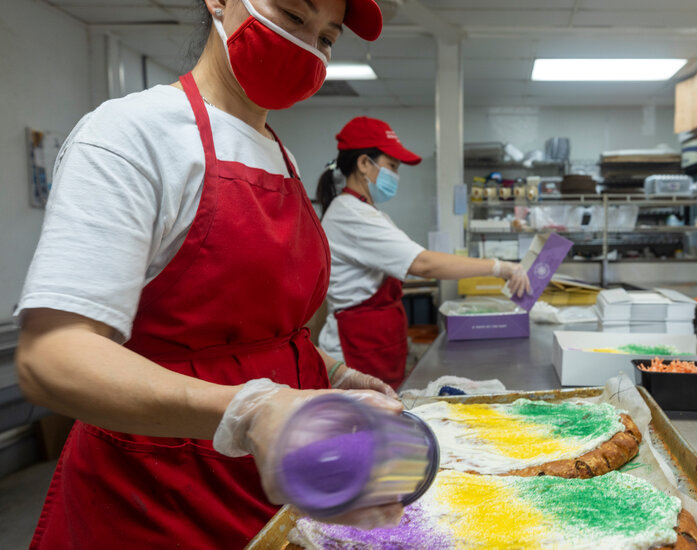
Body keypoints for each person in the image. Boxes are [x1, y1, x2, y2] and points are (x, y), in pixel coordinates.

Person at [14, 0, 406, 548]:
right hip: (156, 491)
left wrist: (328, 370)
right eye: (294, 16)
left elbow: (256, 329)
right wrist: (250, 410)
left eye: (326, 38)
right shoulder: (132, 134)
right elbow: (52, 356)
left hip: (270, 481)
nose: (306, 46)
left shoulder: (282, 156)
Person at [315, 116, 531, 389]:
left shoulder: (365, 211)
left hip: (373, 342)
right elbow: (424, 264)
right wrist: (500, 267)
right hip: (354, 348)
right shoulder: (350, 213)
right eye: (391, 166)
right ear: (363, 164)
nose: (396, 175)